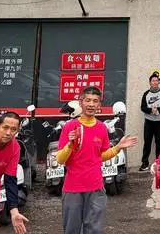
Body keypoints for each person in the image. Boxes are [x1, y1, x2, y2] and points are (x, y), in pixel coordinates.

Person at [56, 86, 138, 234]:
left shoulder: (101, 128)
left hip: (95, 187)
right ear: (81, 102)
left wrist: (118, 147)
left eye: (95, 101)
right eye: (87, 100)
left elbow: (100, 155)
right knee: (71, 229)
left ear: (99, 104)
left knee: (94, 229)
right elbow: (60, 160)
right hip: (73, 188)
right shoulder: (70, 127)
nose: (91, 104)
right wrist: (70, 145)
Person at [140, 72, 160, 172]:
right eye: (153, 81)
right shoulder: (146, 94)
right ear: (150, 83)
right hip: (149, 121)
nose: (155, 82)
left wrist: (157, 110)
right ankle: (145, 163)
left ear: (158, 82)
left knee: (159, 142)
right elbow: (143, 107)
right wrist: (151, 110)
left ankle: (159, 163)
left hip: (159, 121)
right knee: (147, 142)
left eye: (156, 81)